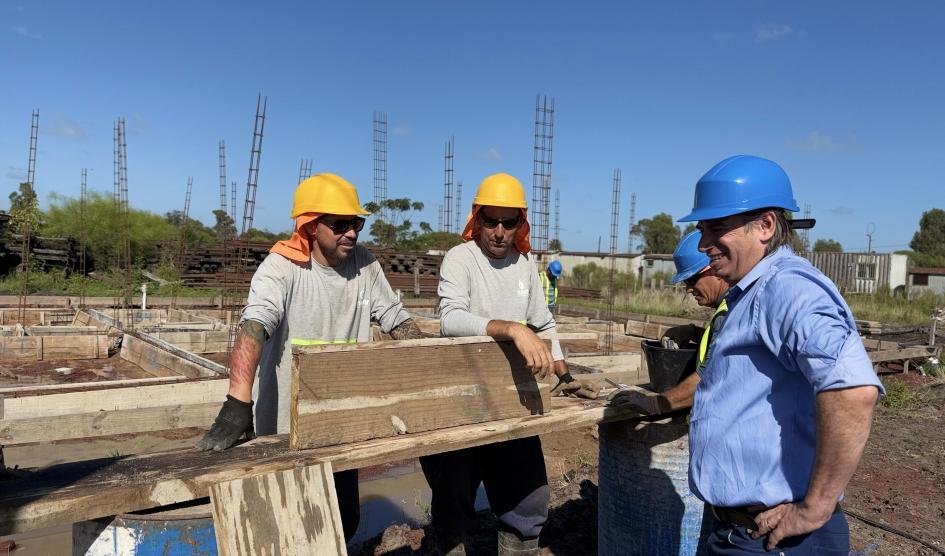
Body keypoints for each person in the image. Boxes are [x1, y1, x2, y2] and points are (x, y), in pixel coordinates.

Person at [195, 173, 424, 542]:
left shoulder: (364, 265)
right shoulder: (283, 267)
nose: (351, 233)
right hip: (285, 432)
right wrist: (238, 401)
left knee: (342, 522)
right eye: (340, 225)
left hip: (342, 427)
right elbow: (255, 325)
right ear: (311, 226)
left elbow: (396, 319)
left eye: (357, 224)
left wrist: (431, 367)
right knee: (284, 527)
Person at [678, 155, 882, 554]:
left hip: (774, 537)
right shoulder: (750, 293)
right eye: (702, 230)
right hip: (739, 528)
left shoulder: (786, 288)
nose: (703, 245)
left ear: (766, 225)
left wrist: (815, 507)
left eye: (717, 228)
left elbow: (852, 390)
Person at [422, 173, 566, 555]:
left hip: (513, 401)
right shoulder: (461, 259)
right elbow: (451, 319)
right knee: (452, 502)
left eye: (509, 222)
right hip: (462, 402)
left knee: (528, 502)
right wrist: (513, 329)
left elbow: (545, 324)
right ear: (477, 218)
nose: (499, 232)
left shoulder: (525, 264)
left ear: (521, 223)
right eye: (491, 221)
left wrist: (564, 373)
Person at [614, 230, 729, 414]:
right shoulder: (729, 306)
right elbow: (724, 344)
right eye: (686, 283)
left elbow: (710, 378)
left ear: (716, 268)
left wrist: (655, 404)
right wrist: (693, 332)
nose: (689, 289)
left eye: (692, 280)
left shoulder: (730, 312)